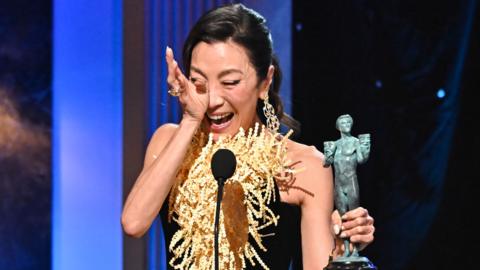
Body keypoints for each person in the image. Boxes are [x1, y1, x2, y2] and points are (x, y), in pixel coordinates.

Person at [121, 4, 374, 270]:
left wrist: (343, 248)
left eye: (229, 82)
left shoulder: (305, 164)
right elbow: (134, 223)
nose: (213, 100)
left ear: (265, 83)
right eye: (199, 82)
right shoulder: (168, 141)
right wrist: (190, 121)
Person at [323, 114, 371, 258]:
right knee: (342, 217)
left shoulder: (356, 142)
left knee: (353, 217)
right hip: (339, 184)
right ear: (338, 127)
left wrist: (366, 148)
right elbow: (327, 163)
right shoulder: (335, 144)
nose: (346, 125)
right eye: (343, 123)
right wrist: (328, 153)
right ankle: (346, 250)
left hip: (351, 181)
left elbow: (362, 160)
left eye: (348, 122)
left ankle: (355, 250)